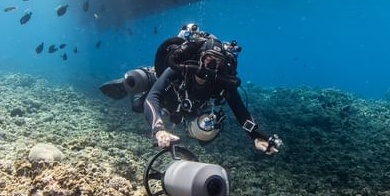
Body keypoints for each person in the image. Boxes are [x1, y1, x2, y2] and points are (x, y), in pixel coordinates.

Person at [100, 23, 281, 155]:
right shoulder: (181, 69)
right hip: (165, 92)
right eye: (209, 60)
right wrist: (159, 129)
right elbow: (153, 97)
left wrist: (257, 136)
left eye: (217, 63)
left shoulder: (221, 82)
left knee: (206, 132)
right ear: (200, 58)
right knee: (138, 101)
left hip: (186, 108)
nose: (211, 67)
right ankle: (131, 82)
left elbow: (241, 112)